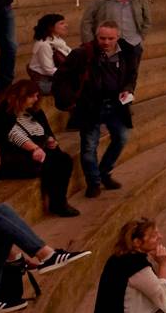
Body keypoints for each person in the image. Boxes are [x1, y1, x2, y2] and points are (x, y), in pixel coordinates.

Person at [56, 21, 137, 197]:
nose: (106, 42)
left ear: (118, 37)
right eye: (102, 38)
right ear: (96, 36)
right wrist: (71, 100)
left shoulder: (127, 53)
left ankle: (104, 173)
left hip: (115, 105)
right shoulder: (82, 54)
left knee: (121, 138)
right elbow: (61, 77)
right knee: (88, 147)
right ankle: (93, 182)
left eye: (110, 38)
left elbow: (131, 75)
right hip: (90, 106)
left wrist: (128, 89)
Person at [0, 79, 80, 216]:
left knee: (64, 159)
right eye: (32, 96)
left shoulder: (36, 113)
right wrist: (34, 148)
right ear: (17, 96)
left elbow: (48, 133)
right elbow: (7, 137)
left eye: (37, 95)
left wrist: (51, 142)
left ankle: (59, 202)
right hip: (11, 157)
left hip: (38, 152)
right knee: (53, 163)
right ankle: (58, 204)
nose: (36, 99)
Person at [81, 0, 152, 74]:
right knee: (109, 76)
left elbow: (147, 19)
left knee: (131, 76)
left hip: (133, 44)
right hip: (110, 45)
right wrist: (89, 42)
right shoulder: (101, 0)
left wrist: (141, 35)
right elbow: (87, 21)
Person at [28, 13, 71, 95]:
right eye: (62, 23)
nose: (66, 25)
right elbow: (49, 70)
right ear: (51, 27)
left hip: (55, 78)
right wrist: (70, 74)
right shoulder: (44, 44)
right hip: (45, 82)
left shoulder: (58, 41)